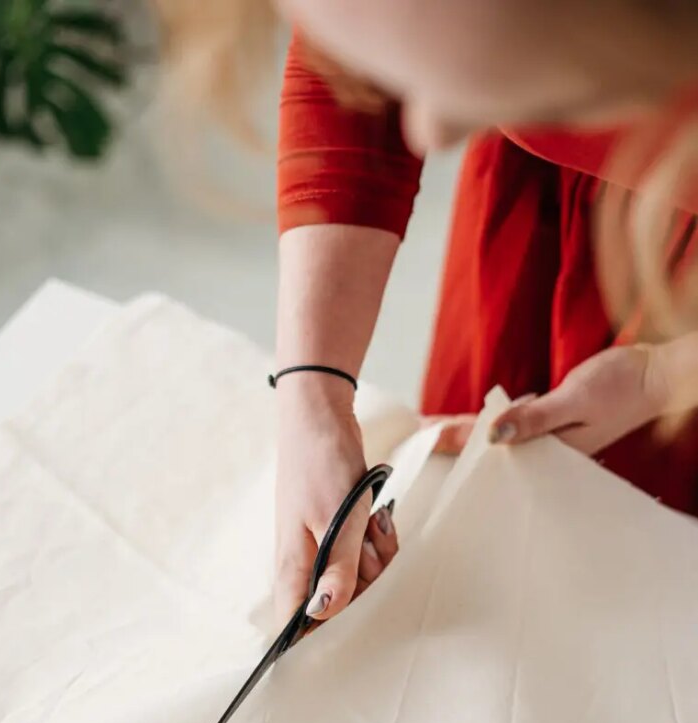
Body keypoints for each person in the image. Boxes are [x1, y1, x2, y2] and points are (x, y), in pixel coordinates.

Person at [157, 0, 698, 622]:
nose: (429, 133)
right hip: (535, 228)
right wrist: (313, 396)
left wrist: (666, 377)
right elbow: (357, 67)